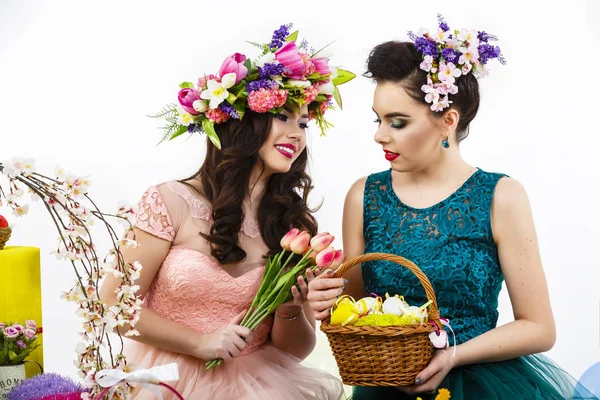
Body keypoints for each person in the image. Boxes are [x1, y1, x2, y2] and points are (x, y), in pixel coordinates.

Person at [307, 16, 598, 400]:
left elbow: (539, 327)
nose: (380, 135)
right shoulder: (364, 195)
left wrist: (454, 355)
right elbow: (359, 306)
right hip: (388, 385)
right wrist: (327, 299)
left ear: (447, 121)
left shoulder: (500, 196)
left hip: (483, 383)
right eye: (379, 120)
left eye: (398, 122)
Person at [100, 23, 353, 400]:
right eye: (283, 117)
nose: (298, 134)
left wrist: (288, 305)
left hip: (262, 387)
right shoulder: (169, 202)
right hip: (167, 384)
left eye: (303, 123)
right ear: (243, 121)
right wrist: (199, 343)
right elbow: (112, 304)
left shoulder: (292, 226)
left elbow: (291, 351)